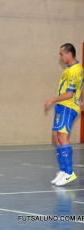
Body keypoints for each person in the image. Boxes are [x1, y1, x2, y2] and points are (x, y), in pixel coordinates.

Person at [44, 43, 84, 186]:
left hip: (68, 106)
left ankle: (69, 172)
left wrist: (52, 99)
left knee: (62, 137)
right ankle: (63, 170)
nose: (60, 57)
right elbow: (82, 84)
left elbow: (70, 93)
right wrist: (83, 100)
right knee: (56, 137)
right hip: (63, 107)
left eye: (61, 54)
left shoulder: (73, 71)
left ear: (69, 54)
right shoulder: (75, 68)